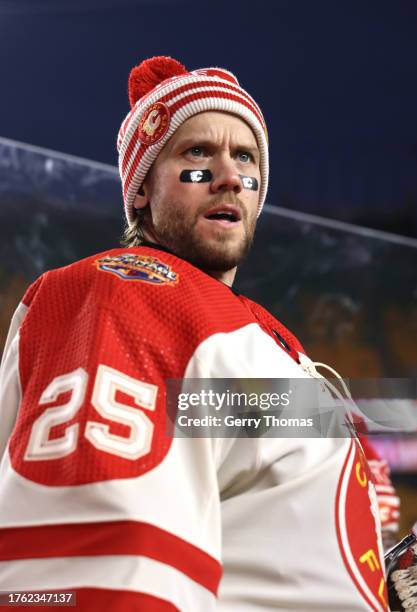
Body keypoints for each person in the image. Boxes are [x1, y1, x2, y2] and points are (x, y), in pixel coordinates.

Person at [0, 56, 389, 611]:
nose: (229, 175)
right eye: (197, 153)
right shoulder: (128, 291)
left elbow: (261, 540)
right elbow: (96, 570)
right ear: (140, 190)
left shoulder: (250, 333)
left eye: (246, 157)